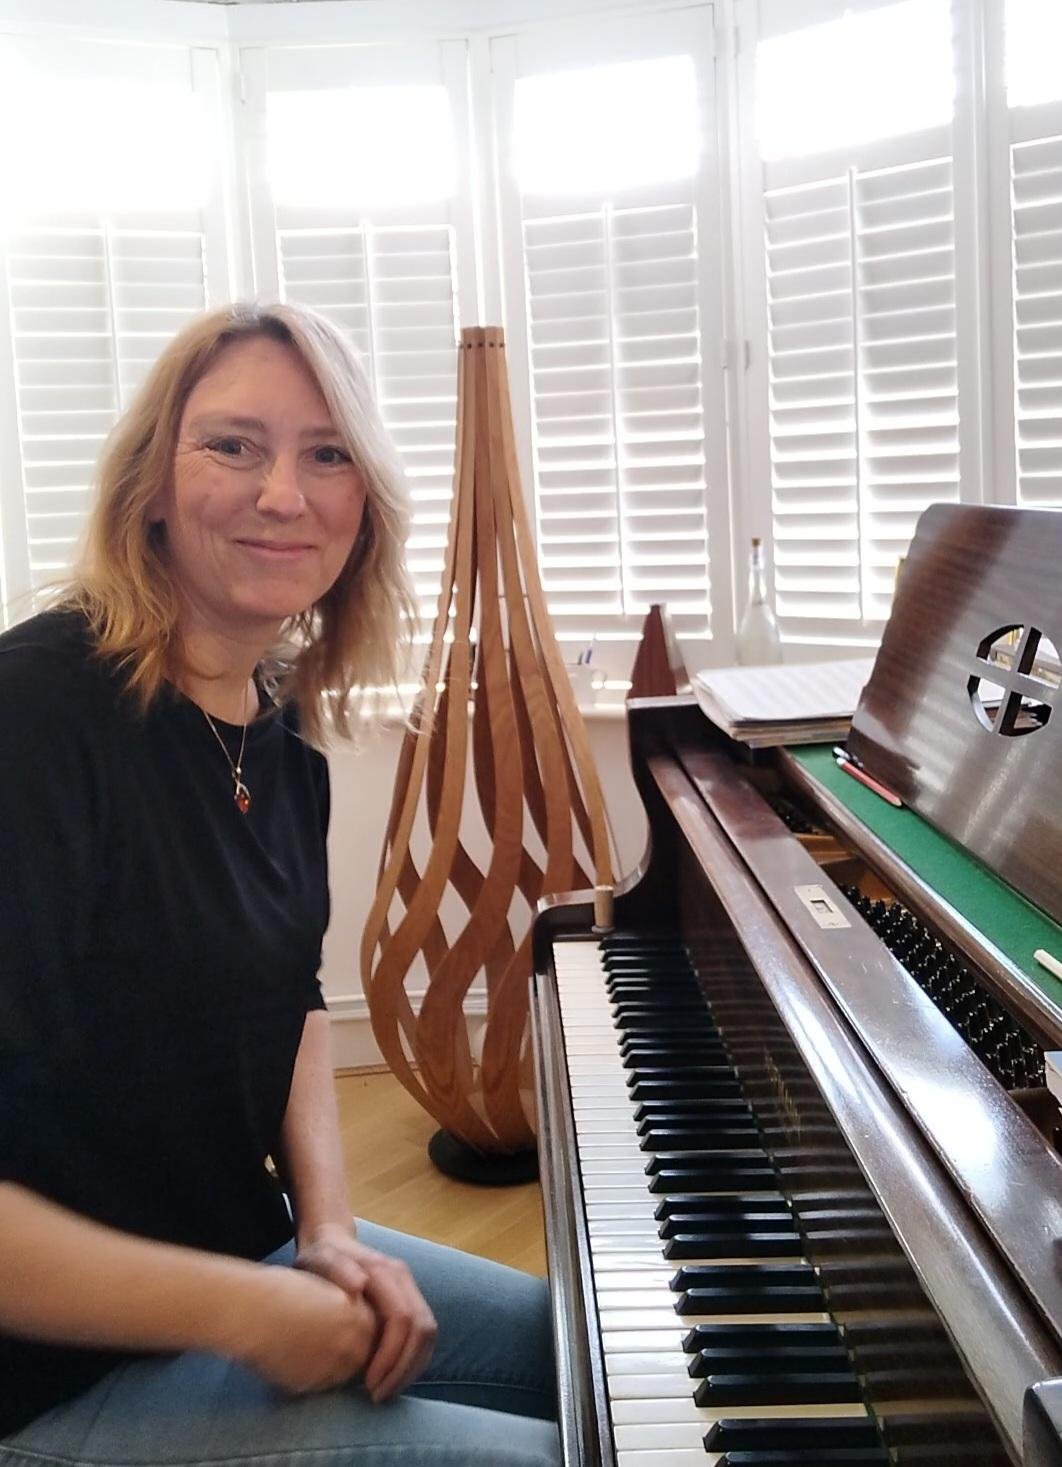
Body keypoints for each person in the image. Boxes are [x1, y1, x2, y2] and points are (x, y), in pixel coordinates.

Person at [0, 303, 561, 1467]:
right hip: (46, 1374)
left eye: (328, 454)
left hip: (231, 1253)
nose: (282, 495)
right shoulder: (34, 717)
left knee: (601, 1358)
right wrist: (247, 1314)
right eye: (233, 445)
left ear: (363, 505)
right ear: (151, 483)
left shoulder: (280, 732)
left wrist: (329, 1228)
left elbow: (295, 1002)